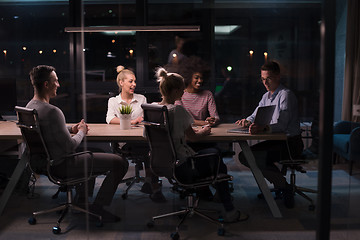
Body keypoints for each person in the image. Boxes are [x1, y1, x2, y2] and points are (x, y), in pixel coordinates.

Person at [26, 65, 128, 222]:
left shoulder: (30, 107)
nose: (58, 85)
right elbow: (70, 146)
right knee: (120, 163)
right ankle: (98, 207)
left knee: (90, 151)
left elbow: (47, 128)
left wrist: (70, 128)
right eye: (56, 81)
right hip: (62, 165)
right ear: (46, 84)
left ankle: (82, 201)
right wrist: (81, 131)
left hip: (44, 163)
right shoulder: (53, 111)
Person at [155, 67, 249, 223]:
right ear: (176, 90)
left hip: (163, 163)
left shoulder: (152, 109)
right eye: (181, 90)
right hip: (183, 164)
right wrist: (205, 131)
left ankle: (210, 193)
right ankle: (229, 210)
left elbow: (147, 135)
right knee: (215, 155)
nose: (183, 93)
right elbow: (194, 138)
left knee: (213, 155)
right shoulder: (178, 110)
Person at [236, 61, 304, 208]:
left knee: (248, 156)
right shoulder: (267, 96)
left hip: (290, 143)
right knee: (247, 155)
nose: (265, 82)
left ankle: (284, 187)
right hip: (278, 142)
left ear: (278, 77)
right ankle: (282, 184)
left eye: (269, 78)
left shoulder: (285, 95)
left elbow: (282, 125)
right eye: (262, 79)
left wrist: (261, 129)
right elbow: (255, 115)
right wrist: (246, 121)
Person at [106, 65, 165, 202]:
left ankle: (150, 182)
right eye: (130, 81)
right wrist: (131, 122)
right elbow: (109, 119)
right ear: (121, 83)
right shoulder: (114, 101)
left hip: (141, 139)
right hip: (124, 142)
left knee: (150, 147)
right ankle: (153, 185)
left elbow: (146, 118)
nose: (134, 84)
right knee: (149, 149)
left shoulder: (142, 99)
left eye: (135, 81)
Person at [174, 56, 220, 127]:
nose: (200, 81)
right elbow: (182, 119)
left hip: (204, 131)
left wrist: (212, 120)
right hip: (186, 133)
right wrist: (204, 123)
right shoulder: (180, 94)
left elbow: (216, 117)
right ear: (188, 77)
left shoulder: (207, 94)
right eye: (196, 77)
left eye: (201, 78)